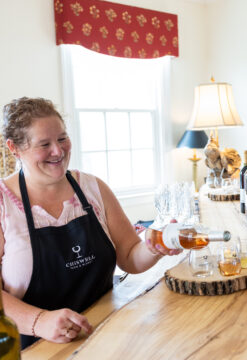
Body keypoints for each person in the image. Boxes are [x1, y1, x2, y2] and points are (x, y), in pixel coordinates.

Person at [0, 97, 181, 349]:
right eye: (44, 144)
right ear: (14, 148)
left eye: (62, 138)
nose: (58, 151)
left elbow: (129, 256)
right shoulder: (3, 203)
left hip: (105, 333)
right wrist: (39, 321)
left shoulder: (92, 188)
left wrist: (153, 247)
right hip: (33, 346)